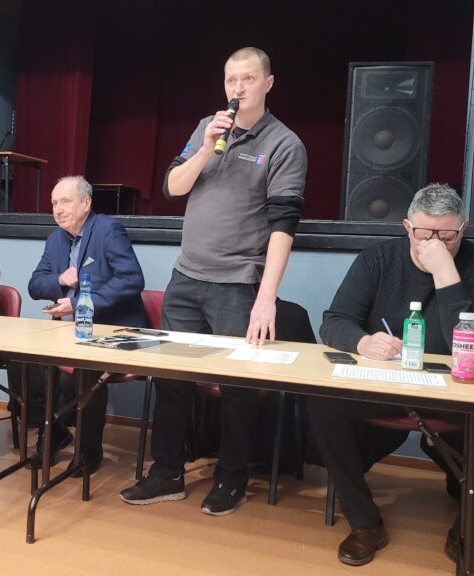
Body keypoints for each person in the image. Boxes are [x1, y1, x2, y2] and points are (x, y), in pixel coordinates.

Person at [307, 184, 474, 575]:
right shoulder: (377, 260)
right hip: (385, 385)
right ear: (407, 227)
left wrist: (446, 274)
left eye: (447, 236)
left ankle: (471, 538)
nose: (434, 243)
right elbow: (334, 321)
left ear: (463, 229)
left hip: (456, 392)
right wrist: (364, 341)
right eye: (424, 234)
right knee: (321, 400)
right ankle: (364, 521)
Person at [120, 47, 308, 516]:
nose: (237, 88)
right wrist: (206, 146)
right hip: (186, 276)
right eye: (230, 80)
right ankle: (167, 473)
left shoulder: (285, 144)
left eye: (248, 79)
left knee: (238, 387)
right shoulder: (207, 127)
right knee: (172, 379)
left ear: (268, 83)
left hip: (239, 282)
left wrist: (266, 298)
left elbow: (283, 227)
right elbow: (173, 187)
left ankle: (231, 477)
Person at [27, 175, 146, 474]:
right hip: (68, 331)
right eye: (54, 203)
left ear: (86, 203)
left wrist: (81, 302)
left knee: (81, 369)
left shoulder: (107, 230)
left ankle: (89, 449)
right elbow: (34, 285)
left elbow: (132, 279)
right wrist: (60, 279)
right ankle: (54, 431)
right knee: (25, 359)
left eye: (65, 202)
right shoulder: (55, 239)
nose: (58, 209)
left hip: (112, 329)